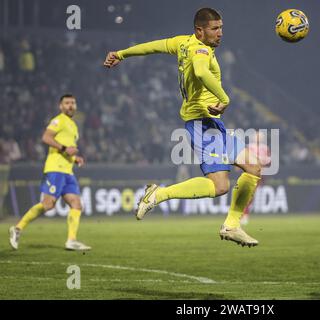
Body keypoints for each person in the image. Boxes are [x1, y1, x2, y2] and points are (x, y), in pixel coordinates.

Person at [103, 8, 262, 247]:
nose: (220, 33)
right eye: (214, 29)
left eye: (221, 28)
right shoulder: (200, 50)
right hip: (202, 122)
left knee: (253, 166)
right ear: (200, 30)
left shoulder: (182, 42)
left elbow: (153, 46)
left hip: (211, 123)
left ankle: (231, 225)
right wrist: (224, 97)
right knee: (220, 186)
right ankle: (158, 194)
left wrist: (122, 53)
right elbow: (199, 71)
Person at [9, 94, 91, 251]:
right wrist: (65, 149)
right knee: (48, 205)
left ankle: (71, 240)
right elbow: (46, 138)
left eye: (73, 103)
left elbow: (66, 149)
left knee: (76, 203)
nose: (70, 106)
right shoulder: (58, 120)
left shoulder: (73, 125)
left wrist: (74, 158)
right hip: (55, 169)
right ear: (60, 106)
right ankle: (17, 228)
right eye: (67, 103)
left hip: (68, 171)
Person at [241, 130, 271, 225]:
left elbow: (268, 161)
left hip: (259, 174)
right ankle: (243, 214)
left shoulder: (265, 148)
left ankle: (244, 214)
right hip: (250, 173)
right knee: (247, 194)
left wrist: (262, 162)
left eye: (260, 136)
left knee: (250, 195)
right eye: (257, 136)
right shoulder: (249, 147)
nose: (258, 138)